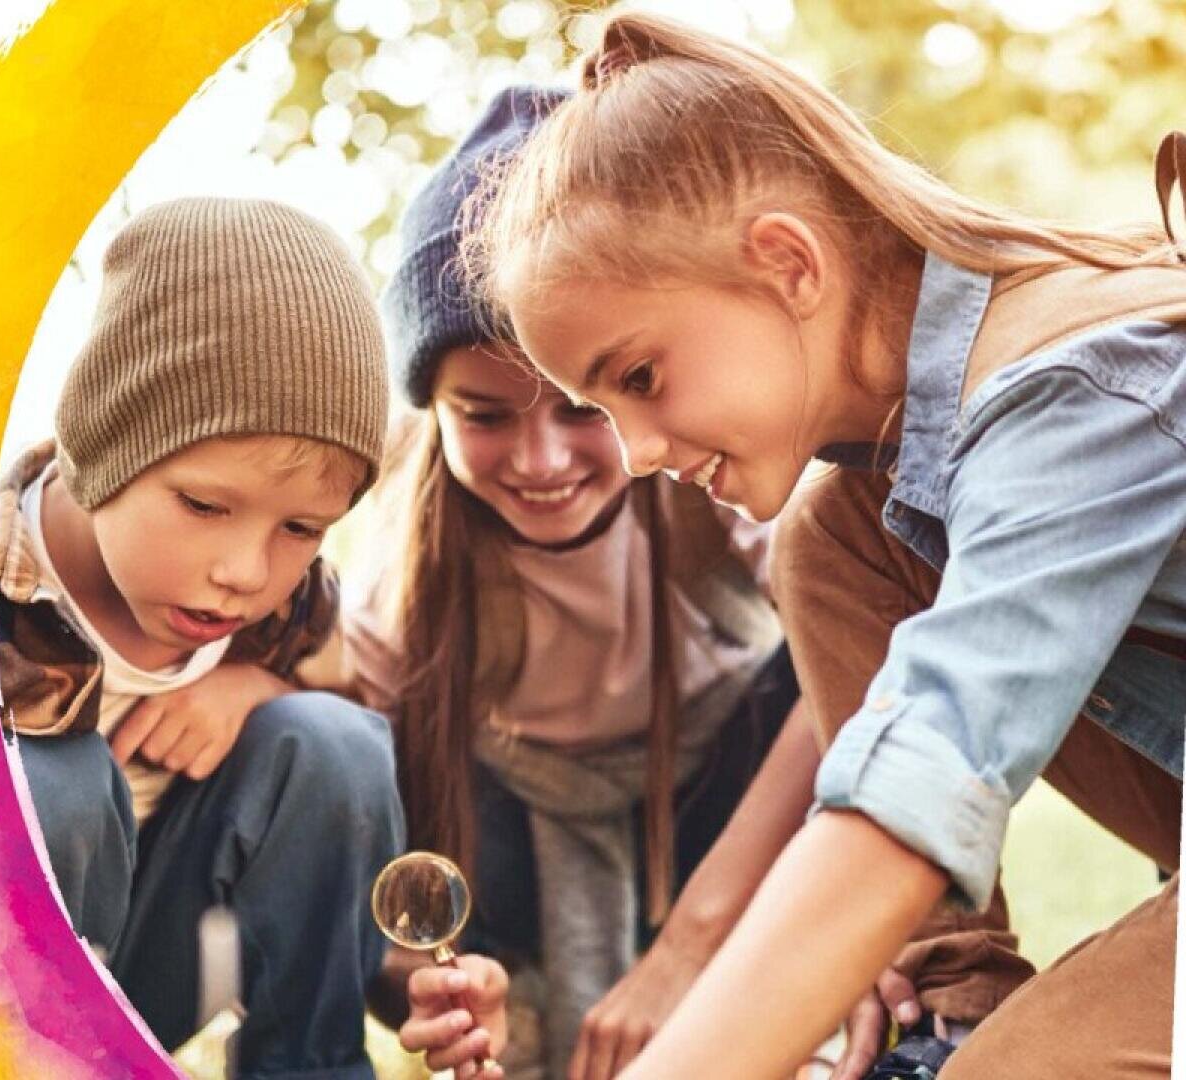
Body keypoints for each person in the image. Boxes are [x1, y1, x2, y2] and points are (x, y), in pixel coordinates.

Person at [430, 12, 1186, 1078]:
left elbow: (925, 776)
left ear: (787, 263)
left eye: (638, 377)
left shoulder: (1069, 392)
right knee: (833, 534)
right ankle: (945, 1019)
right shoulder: (873, 488)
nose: (635, 452)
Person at [324, 85, 814, 1080]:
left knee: (825, 670)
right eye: (485, 416)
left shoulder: (706, 475)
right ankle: (523, 1014)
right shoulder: (400, 575)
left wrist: (689, 950)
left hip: (709, 808)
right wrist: (438, 975)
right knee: (376, 747)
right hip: (511, 840)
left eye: (578, 410)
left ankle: (790, 993)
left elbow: (868, 669)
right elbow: (361, 811)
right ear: (435, 414)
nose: (539, 460)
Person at [0, 197, 405, 1078]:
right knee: (56, 782)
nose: (246, 571)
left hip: (160, 949)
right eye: (205, 506)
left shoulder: (285, 613)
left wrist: (255, 688)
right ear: (105, 443)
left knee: (335, 746)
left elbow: (350, 721)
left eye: (301, 528)